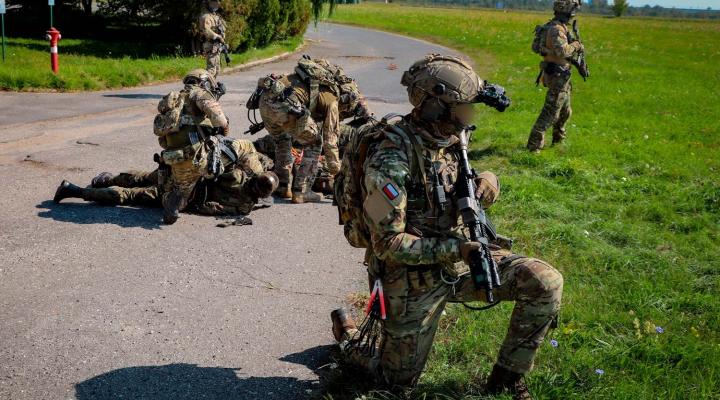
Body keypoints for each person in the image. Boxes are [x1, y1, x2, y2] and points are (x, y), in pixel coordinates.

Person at [331, 54, 563, 399]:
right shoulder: (391, 157)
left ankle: (506, 379)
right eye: (463, 107)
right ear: (434, 107)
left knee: (545, 282)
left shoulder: (451, 138)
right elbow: (388, 244)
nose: (470, 115)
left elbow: (462, 181)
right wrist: (458, 249)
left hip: (458, 262)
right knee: (394, 386)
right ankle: (351, 338)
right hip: (409, 278)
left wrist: (489, 182)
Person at [53, 139, 278, 218]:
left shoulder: (239, 174)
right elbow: (212, 209)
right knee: (131, 194)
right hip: (181, 196)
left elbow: (213, 164)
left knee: (139, 178)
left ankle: (105, 179)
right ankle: (74, 190)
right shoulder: (244, 207)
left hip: (181, 179)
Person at [255, 57, 368, 203]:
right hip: (286, 107)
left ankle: (283, 186)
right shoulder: (332, 101)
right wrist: (338, 174)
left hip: (265, 101)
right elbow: (330, 142)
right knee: (315, 142)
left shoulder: (312, 81)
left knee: (282, 140)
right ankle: (302, 191)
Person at [158, 69, 230, 224]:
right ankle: (174, 200)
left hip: (172, 156)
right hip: (195, 158)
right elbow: (221, 123)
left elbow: (163, 138)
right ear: (203, 82)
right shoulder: (201, 95)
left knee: (177, 191)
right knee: (240, 149)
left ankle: (171, 195)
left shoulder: (173, 100)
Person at [527, 0, 585, 152]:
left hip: (561, 75)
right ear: (568, 12)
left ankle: (558, 142)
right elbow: (563, 52)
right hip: (557, 75)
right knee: (550, 114)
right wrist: (577, 45)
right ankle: (533, 148)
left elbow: (536, 47)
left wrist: (547, 50)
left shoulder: (551, 26)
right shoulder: (556, 29)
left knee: (565, 112)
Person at [199, 0, 227, 78]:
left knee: (217, 70)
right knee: (211, 70)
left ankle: (211, 88)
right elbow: (206, 30)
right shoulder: (206, 16)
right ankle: (202, 87)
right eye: (214, 2)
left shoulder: (215, 16)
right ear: (209, 3)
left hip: (216, 46)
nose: (217, 4)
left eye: (217, 3)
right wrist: (218, 37)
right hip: (210, 45)